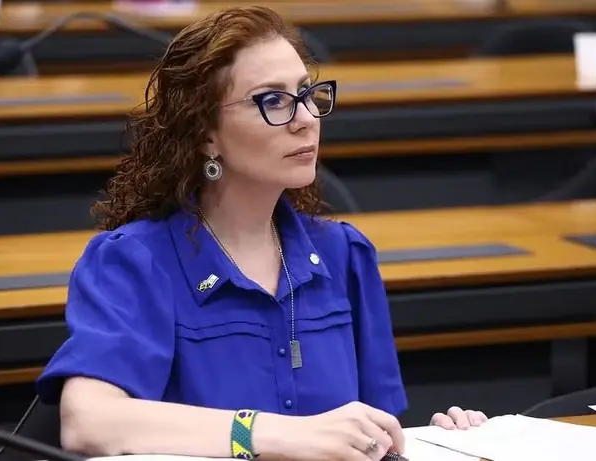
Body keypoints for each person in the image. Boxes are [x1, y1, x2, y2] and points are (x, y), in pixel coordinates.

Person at [36, 5, 488, 460]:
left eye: (307, 93)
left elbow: (375, 435)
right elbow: (88, 422)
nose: (306, 117)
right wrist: (266, 433)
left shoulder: (345, 255)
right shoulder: (134, 261)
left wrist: (441, 437)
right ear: (206, 134)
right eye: (272, 101)